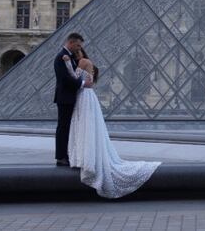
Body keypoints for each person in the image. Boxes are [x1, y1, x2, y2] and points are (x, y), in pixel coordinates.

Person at [64, 48, 161, 198]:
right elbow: (87, 82)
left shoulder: (83, 62)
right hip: (88, 97)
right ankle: (86, 157)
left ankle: (85, 159)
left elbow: (76, 80)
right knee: (88, 128)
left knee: (84, 127)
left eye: (76, 53)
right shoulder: (89, 63)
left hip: (84, 97)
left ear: (81, 52)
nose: (75, 56)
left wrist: (68, 64)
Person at [54, 33, 93, 167]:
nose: (79, 48)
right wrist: (82, 84)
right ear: (70, 42)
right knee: (63, 127)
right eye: (77, 45)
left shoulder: (69, 57)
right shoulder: (60, 57)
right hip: (65, 97)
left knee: (68, 127)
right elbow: (64, 79)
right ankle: (61, 157)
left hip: (70, 96)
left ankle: (66, 154)